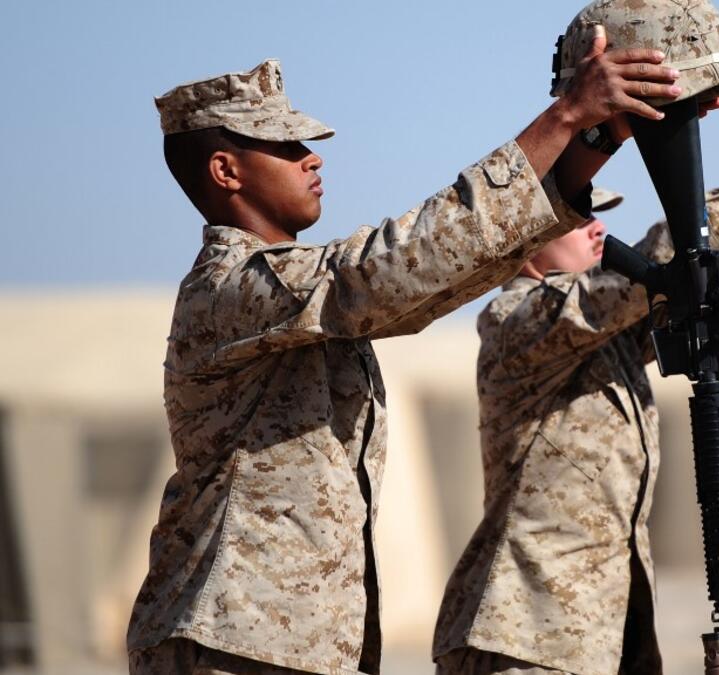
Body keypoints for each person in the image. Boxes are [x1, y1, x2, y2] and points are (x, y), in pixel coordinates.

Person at [127, 37, 682, 675]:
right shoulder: (234, 287)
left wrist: (599, 138)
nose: (312, 159)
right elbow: (393, 266)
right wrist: (563, 117)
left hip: (281, 645)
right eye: (285, 147)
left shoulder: (291, 301)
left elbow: (443, 274)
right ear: (226, 171)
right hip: (227, 641)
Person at [431, 2, 719, 674]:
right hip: (524, 636)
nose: (598, 228)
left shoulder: (606, 338)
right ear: (523, 243)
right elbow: (674, 252)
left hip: (602, 635)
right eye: (580, 215)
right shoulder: (518, 324)